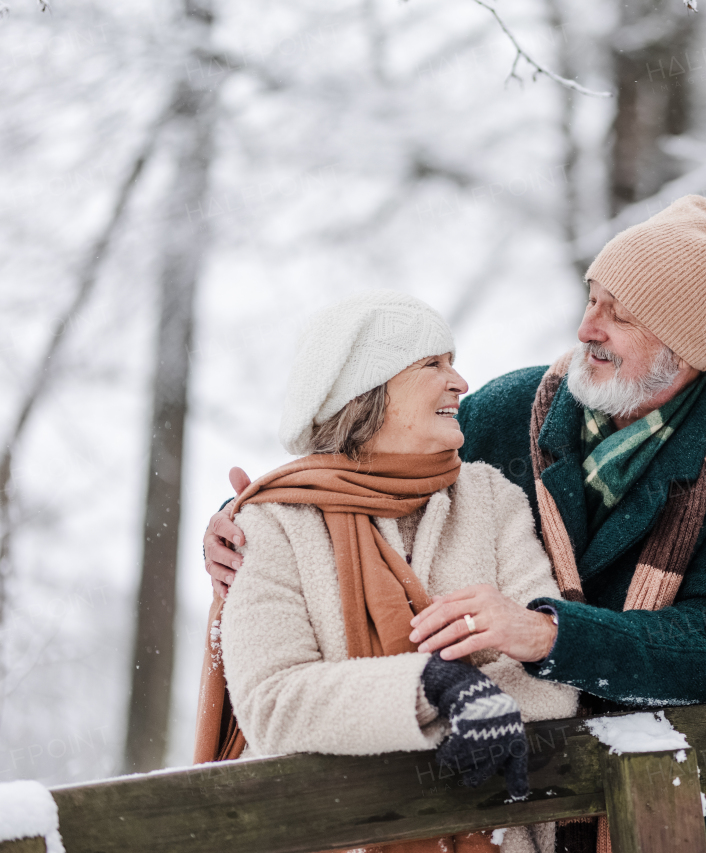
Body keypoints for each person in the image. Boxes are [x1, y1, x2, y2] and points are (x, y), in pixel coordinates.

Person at [204, 195, 706, 853]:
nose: (587, 328)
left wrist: (548, 633)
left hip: (643, 804)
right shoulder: (512, 409)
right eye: (591, 298)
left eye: (619, 313)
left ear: (681, 343)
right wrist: (246, 526)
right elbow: (373, 472)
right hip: (486, 803)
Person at [196, 291, 577, 853]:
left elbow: (551, 676)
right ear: (367, 388)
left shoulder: (493, 500)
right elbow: (274, 704)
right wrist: (437, 687)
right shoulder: (273, 522)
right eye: (433, 364)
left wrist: (443, 708)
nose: (461, 382)